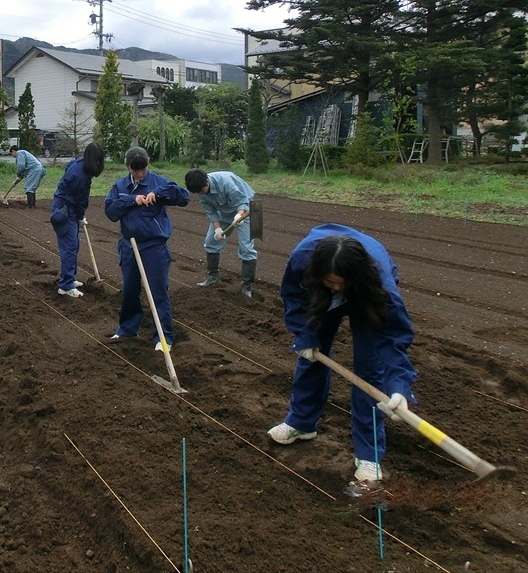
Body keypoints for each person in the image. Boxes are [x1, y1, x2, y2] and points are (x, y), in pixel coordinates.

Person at [267, 224, 417, 485]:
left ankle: (369, 455)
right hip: (318, 293)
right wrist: (305, 337)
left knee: (370, 373)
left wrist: (399, 386)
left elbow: (392, 335)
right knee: (312, 355)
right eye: (331, 282)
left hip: (365, 293)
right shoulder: (303, 261)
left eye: (341, 283)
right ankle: (302, 422)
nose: (337, 288)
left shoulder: (378, 282)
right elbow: (293, 296)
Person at [104, 146, 189, 349]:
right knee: (130, 290)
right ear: (128, 167)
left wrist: (159, 193)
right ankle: (127, 329)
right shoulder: (120, 186)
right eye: (135, 171)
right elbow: (110, 211)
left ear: (147, 164)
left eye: (143, 170)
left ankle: (162, 336)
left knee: (158, 291)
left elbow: (183, 197)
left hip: (154, 246)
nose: (140, 175)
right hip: (129, 246)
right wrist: (132, 200)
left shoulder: (158, 182)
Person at [184, 169, 259, 297]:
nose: (201, 193)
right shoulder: (199, 189)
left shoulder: (226, 183)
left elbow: (242, 202)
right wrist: (218, 228)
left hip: (247, 210)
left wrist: (238, 216)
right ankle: (212, 278)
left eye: (202, 190)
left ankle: (247, 287)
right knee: (211, 242)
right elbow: (210, 210)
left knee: (246, 248)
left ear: (207, 182)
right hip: (224, 211)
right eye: (198, 192)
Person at [50, 143, 105, 297]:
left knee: (73, 244)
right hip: (64, 211)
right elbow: (81, 200)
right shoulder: (80, 176)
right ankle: (66, 286)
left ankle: (70, 277)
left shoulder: (79, 163)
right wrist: (81, 216)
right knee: (69, 247)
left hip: (67, 208)